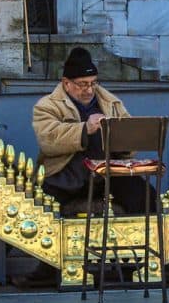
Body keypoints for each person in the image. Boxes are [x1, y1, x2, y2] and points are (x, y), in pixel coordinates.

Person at [16, 47, 155, 288]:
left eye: (92, 83)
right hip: (67, 173)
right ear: (66, 83)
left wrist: (121, 138)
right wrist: (84, 129)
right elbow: (48, 139)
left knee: (146, 198)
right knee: (41, 206)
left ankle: (137, 263)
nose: (89, 90)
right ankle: (49, 265)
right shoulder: (47, 105)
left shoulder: (109, 101)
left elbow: (131, 139)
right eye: (82, 84)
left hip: (107, 172)